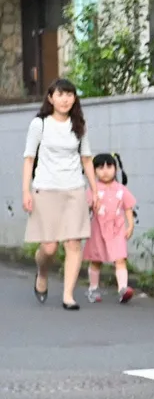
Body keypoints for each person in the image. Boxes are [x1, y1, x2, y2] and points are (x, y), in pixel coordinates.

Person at [22, 79, 99, 311]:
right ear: (50, 98)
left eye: (69, 95)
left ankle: (68, 295)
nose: (65, 99)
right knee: (49, 248)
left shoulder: (79, 125)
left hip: (74, 188)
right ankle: (42, 274)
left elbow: (86, 159)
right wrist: (26, 190)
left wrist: (94, 190)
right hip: (45, 189)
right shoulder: (39, 124)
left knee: (74, 243)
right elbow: (29, 159)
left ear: (75, 99)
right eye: (60, 94)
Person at [84, 153, 137, 304]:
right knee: (96, 260)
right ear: (93, 171)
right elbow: (85, 209)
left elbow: (128, 207)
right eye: (100, 168)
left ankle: (123, 289)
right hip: (97, 230)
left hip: (117, 229)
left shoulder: (121, 189)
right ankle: (93, 289)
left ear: (116, 168)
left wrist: (130, 225)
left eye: (109, 166)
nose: (105, 171)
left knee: (120, 259)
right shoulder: (92, 191)